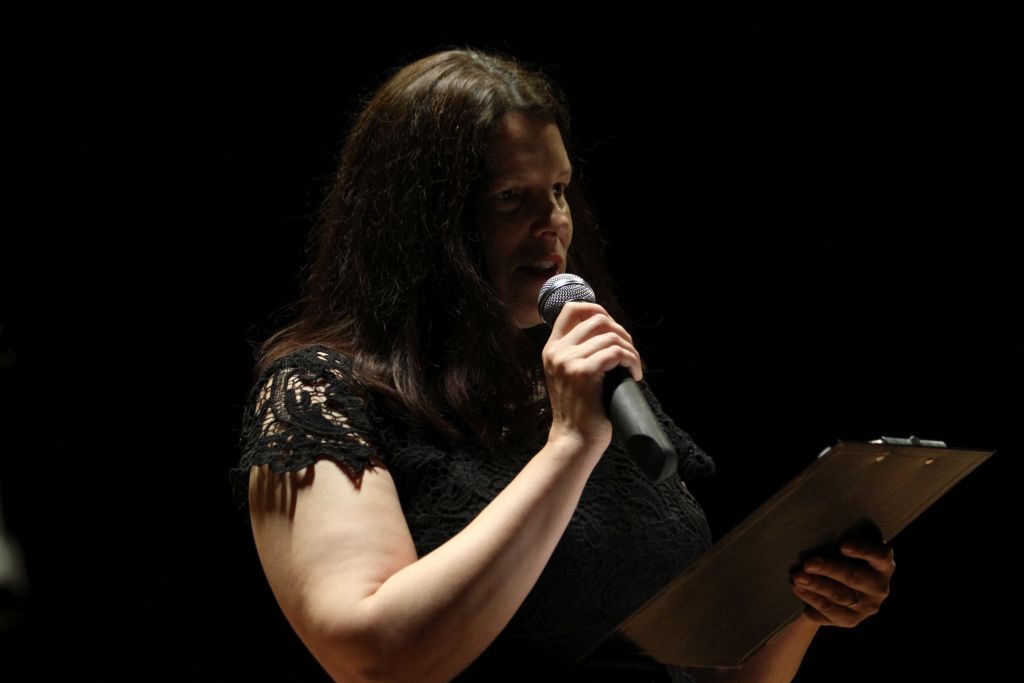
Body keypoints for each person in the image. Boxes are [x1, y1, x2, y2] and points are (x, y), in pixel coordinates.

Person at [231, 48, 895, 683]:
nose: (552, 221)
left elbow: (694, 669)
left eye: (558, 189)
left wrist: (804, 607)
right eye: (511, 197)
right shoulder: (320, 391)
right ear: (422, 221)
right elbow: (376, 661)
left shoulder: (582, 383)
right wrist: (571, 444)